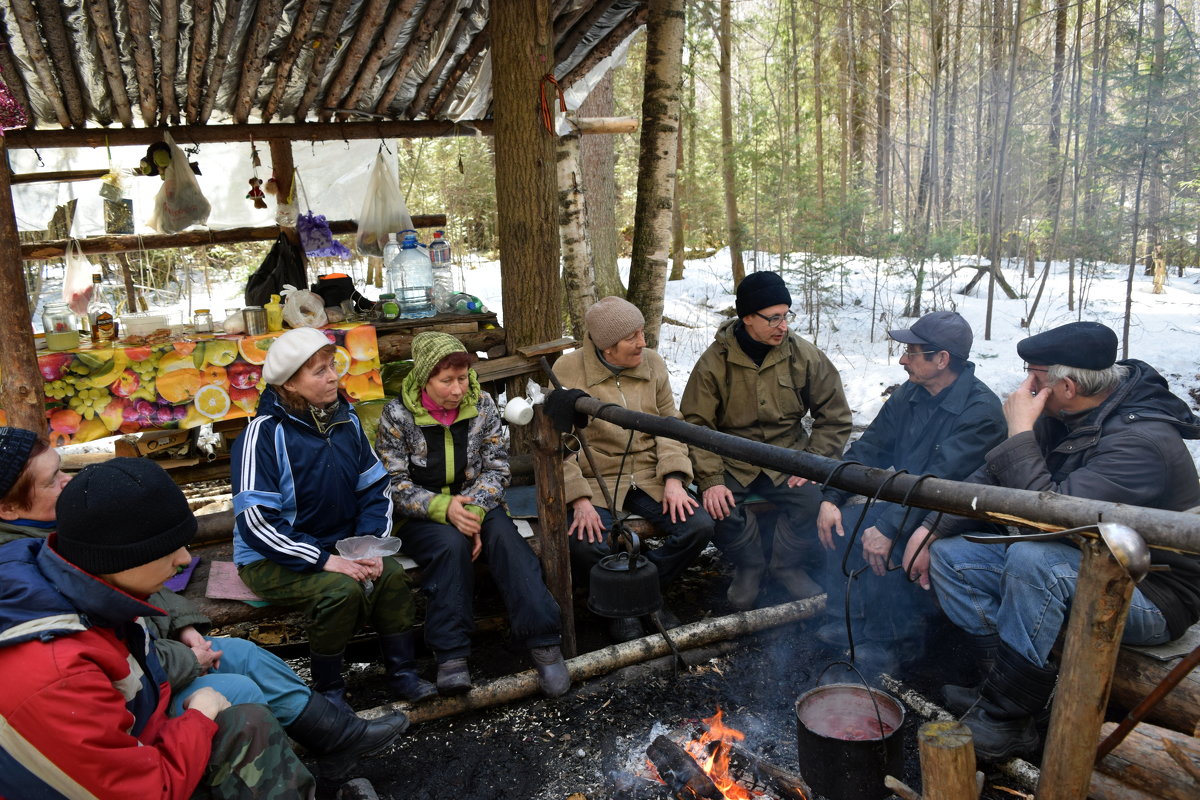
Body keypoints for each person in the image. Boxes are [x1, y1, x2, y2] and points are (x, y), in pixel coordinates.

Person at [0, 428, 408, 780]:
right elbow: (107, 656)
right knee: (238, 690)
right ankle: (272, 779)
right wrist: (186, 660)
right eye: (53, 479)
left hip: (149, 654)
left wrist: (185, 628)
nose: (69, 481)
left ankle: (337, 741)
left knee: (246, 653)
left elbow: (136, 581)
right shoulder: (22, 568)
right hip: (125, 692)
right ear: (8, 507)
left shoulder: (51, 530)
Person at [902, 321, 1200, 761]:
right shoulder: (1071, 415)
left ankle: (1010, 721)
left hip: (1156, 593)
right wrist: (932, 529)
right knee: (953, 558)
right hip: (1088, 562)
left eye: (1034, 375)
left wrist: (1020, 433)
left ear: (1067, 385)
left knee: (1031, 558)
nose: (1026, 385)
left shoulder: (1141, 443)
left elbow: (1049, 520)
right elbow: (991, 476)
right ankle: (998, 691)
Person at [0, 455, 317, 799]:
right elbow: (146, 792)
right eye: (166, 548)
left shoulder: (98, 589)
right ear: (121, 556)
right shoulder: (60, 672)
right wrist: (198, 715)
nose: (183, 559)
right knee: (244, 719)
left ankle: (338, 743)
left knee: (246, 716)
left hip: (137, 742)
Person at [232, 327, 436, 712]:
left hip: (340, 544)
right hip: (270, 557)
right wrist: (327, 561)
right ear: (290, 384)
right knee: (339, 591)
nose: (333, 377)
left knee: (389, 575)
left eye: (332, 366)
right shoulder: (261, 435)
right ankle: (328, 690)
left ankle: (402, 673)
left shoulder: (347, 422)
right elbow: (257, 523)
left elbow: (375, 489)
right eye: (319, 371)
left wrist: (368, 546)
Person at [374, 331, 569, 697]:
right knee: (450, 546)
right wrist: (443, 507)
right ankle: (452, 655)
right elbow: (391, 481)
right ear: (424, 378)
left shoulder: (481, 406)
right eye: (446, 381)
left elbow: (497, 468)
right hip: (422, 513)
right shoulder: (397, 415)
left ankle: (544, 641)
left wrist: (475, 509)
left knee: (509, 544)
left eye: (462, 378)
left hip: (477, 502)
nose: (457, 389)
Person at [814, 311, 1005, 672]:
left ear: (942, 359)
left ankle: (895, 643)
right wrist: (831, 497)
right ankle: (848, 620)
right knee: (845, 523)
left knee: (889, 542)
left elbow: (938, 483)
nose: (902, 360)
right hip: (910, 504)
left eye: (911, 352)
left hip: (956, 519)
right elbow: (868, 449)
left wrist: (888, 528)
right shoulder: (910, 394)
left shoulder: (981, 411)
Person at [680, 271, 852, 609]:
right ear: (747, 318)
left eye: (786, 315)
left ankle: (786, 565)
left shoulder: (805, 356)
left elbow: (835, 416)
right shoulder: (715, 362)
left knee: (811, 501)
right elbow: (696, 424)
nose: (783, 325)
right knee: (719, 506)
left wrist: (814, 461)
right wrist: (711, 479)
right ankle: (751, 567)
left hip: (788, 456)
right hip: (731, 458)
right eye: (773, 318)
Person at [554, 296, 715, 642]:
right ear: (607, 348)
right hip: (598, 476)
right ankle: (627, 604)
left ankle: (637, 594)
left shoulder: (652, 363)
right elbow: (558, 446)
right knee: (585, 544)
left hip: (648, 472)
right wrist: (579, 500)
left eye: (642, 333)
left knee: (698, 527)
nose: (643, 342)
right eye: (633, 337)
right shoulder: (567, 371)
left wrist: (674, 477)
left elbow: (671, 422)